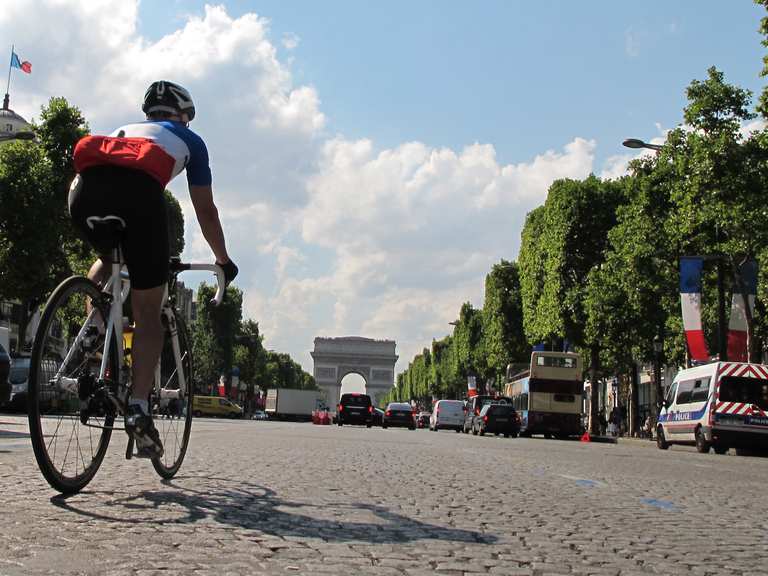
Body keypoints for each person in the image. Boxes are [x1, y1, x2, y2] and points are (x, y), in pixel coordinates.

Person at [69, 80, 238, 458]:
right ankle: (139, 408)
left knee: (112, 259)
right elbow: (206, 211)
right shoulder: (190, 141)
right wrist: (223, 259)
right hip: (138, 198)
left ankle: (94, 328)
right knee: (148, 314)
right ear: (182, 116)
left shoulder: (123, 131)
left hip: (81, 193)